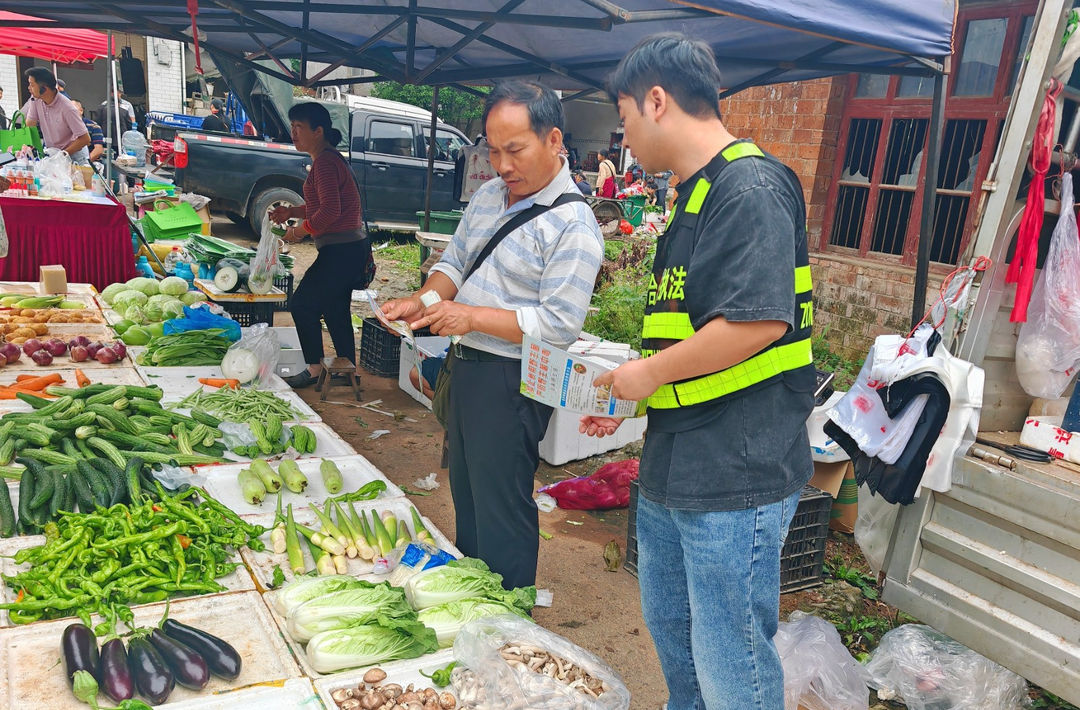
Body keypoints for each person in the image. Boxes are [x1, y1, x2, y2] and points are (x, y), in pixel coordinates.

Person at [581, 33, 815, 710]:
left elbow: (757, 322)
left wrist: (651, 374)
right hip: (679, 461)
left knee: (729, 656)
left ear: (657, 101)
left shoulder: (749, 186)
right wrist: (638, 390)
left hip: (736, 469)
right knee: (678, 638)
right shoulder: (695, 196)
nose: (624, 138)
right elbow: (696, 336)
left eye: (624, 118)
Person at [381, 81, 603, 590]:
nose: (502, 165)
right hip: (467, 368)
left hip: (513, 380)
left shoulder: (574, 224)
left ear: (554, 141)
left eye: (515, 150)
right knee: (468, 493)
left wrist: (473, 317)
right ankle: (474, 601)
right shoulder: (488, 196)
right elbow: (455, 263)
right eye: (493, 150)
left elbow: (559, 324)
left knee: (501, 505)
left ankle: (510, 619)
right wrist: (424, 301)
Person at [271, 102, 371, 388]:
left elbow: (330, 212)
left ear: (318, 131)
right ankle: (347, 370)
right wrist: (291, 212)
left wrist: (297, 232)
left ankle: (315, 367)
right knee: (335, 307)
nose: (293, 132)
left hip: (342, 250)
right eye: (292, 126)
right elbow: (321, 205)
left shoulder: (326, 162)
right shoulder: (327, 159)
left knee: (302, 303)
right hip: (348, 248)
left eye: (299, 127)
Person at [22, 68, 90, 163]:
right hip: (53, 153)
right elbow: (30, 125)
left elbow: (85, 139)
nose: (29, 88)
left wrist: (62, 155)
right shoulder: (35, 100)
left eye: (32, 85)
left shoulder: (68, 108)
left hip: (73, 155)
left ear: (44, 89)